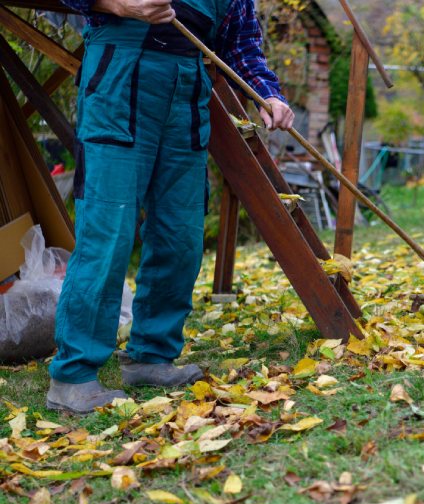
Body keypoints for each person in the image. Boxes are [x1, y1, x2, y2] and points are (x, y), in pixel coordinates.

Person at [47, 0, 294, 414]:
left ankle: (151, 355)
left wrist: (267, 94)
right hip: (119, 78)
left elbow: (242, 44)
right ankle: (72, 376)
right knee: (109, 231)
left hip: (187, 93)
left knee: (181, 235)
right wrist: (117, 4)